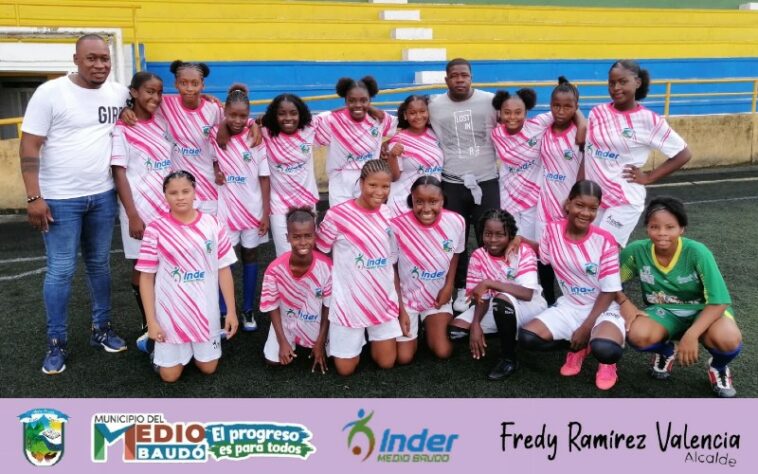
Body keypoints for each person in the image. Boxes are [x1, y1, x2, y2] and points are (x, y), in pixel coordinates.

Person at [20, 34, 129, 374]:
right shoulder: (50, 93)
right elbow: (29, 147)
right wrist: (34, 197)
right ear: (76, 59)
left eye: (104, 59)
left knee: (99, 266)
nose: (99, 65)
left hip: (102, 195)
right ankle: (57, 342)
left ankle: (102, 329)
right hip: (59, 200)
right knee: (61, 271)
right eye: (91, 58)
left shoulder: (119, 92)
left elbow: (158, 105)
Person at [619, 197, 743, 397]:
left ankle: (718, 367)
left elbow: (719, 301)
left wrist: (691, 335)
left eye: (670, 227)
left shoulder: (697, 252)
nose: (662, 233)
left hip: (704, 310)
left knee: (728, 339)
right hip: (664, 311)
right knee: (636, 333)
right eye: (654, 227)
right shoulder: (636, 252)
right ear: (647, 228)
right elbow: (611, 283)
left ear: (681, 229)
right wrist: (625, 303)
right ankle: (666, 351)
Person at [519, 180, 625, 391]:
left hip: (602, 308)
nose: (585, 213)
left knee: (605, 349)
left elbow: (610, 290)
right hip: (569, 306)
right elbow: (544, 254)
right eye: (579, 205)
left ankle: (607, 363)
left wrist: (586, 328)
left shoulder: (605, 240)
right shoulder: (552, 231)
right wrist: (519, 239)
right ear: (567, 204)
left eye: (592, 208)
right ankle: (577, 348)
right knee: (527, 338)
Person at [136, 171, 238, 382]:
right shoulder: (155, 228)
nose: (180, 197)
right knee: (170, 376)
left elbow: (224, 269)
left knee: (208, 368)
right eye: (173, 192)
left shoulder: (212, 224)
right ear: (165, 195)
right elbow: (146, 278)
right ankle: (157, 350)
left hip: (204, 312)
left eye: (185, 191)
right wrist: (151, 321)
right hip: (171, 314)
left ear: (195, 192)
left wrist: (231, 311)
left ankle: (194, 350)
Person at [316, 159, 409, 376]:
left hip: (381, 300)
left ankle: (371, 337)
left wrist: (400, 308)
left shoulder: (388, 214)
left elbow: (391, 264)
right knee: (345, 370)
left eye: (385, 186)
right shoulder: (337, 215)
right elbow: (321, 253)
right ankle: (346, 339)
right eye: (373, 185)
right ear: (361, 183)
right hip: (350, 303)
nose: (379, 191)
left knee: (387, 363)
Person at [584, 60, 691, 247]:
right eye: (612, 83)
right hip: (595, 197)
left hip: (623, 200)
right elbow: (586, 151)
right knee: (586, 249)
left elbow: (684, 153)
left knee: (600, 252)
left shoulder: (648, 120)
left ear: (637, 83)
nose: (616, 87)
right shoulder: (597, 113)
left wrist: (649, 177)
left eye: (622, 82)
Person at [428, 58, 500, 313]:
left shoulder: (491, 101)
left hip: (487, 180)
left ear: (471, 77)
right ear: (446, 79)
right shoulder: (434, 105)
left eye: (464, 75)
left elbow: (518, 118)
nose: (460, 80)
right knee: (455, 238)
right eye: (455, 75)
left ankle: (490, 285)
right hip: (452, 182)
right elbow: (407, 117)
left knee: (488, 236)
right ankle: (461, 285)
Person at [111, 71, 174, 353]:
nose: (155, 98)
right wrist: (133, 215)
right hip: (140, 209)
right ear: (134, 92)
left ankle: (167, 318)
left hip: (166, 209)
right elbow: (119, 173)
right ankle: (147, 323)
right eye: (149, 91)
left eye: (159, 92)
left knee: (166, 265)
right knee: (142, 267)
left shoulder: (162, 123)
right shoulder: (122, 128)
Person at [450, 209, 547, 380]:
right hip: (496, 305)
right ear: (481, 234)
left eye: (499, 235)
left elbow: (527, 294)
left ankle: (509, 358)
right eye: (488, 234)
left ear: (510, 235)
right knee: (456, 330)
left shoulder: (523, 252)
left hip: (529, 307)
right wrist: (475, 325)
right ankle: (507, 330)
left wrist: (489, 283)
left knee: (502, 302)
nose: (493, 240)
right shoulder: (478, 256)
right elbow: (482, 297)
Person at [209, 84, 270, 331]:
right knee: (225, 260)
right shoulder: (214, 133)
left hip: (252, 211)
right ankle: (224, 310)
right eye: (232, 115)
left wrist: (265, 213)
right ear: (224, 112)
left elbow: (264, 178)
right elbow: (211, 159)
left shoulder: (256, 137)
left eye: (242, 116)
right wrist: (216, 170)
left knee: (251, 257)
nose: (237, 120)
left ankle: (247, 310)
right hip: (227, 211)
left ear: (249, 115)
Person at [391, 176, 465, 363]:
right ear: (412, 200)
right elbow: (392, 269)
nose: (426, 209)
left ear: (443, 201)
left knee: (443, 351)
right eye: (419, 202)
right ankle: (416, 326)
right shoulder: (396, 226)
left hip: (437, 298)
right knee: (403, 357)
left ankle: (429, 324)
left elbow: (456, 253)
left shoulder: (456, 221)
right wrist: (401, 309)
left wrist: (449, 286)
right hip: (407, 299)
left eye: (433, 202)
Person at [260, 208, 331, 373]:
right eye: (296, 237)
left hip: (317, 322)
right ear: (287, 238)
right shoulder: (274, 269)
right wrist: (282, 342)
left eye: (308, 236)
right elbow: (272, 306)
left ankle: (318, 340)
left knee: (334, 357)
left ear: (315, 236)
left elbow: (328, 307)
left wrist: (320, 343)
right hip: (287, 321)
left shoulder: (327, 267)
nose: (303, 242)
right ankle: (288, 340)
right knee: (273, 361)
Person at [535, 77, 584, 305]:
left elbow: (585, 168)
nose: (561, 110)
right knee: (543, 257)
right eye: (556, 105)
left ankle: (574, 302)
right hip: (544, 205)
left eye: (567, 106)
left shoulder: (581, 133)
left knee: (570, 257)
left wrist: (574, 201)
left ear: (576, 108)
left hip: (569, 207)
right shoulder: (543, 130)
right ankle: (548, 300)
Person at [317, 76, 397, 207]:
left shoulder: (378, 118)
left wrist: (386, 143)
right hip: (340, 181)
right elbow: (307, 127)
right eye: (352, 101)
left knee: (367, 223)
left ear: (370, 100)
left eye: (363, 100)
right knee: (342, 224)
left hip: (370, 179)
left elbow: (404, 127)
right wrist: (336, 111)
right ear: (345, 100)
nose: (358, 105)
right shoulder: (332, 120)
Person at [260, 93, 321, 256]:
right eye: (282, 113)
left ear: (300, 113)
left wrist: (371, 110)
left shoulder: (310, 129)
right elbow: (239, 122)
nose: (288, 118)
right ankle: (285, 282)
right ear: (274, 115)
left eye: (293, 113)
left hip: (306, 201)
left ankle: (309, 282)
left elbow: (343, 110)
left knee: (307, 251)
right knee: (285, 254)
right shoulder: (265, 133)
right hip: (280, 204)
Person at [490, 88, 551, 241]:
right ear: (500, 113)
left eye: (518, 112)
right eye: (507, 112)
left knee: (528, 242)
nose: (512, 117)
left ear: (526, 112)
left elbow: (567, 109)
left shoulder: (538, 125)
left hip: (532, 196)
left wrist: (582, 123)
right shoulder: (496, 134)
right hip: (507, 194)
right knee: (510, 239)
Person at [384, 95, 444, 218]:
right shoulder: (398, 140)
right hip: (403, 204)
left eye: (422, 111)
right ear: (405, 115)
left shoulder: (435, 133)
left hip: (431, 203)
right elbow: (394, 177)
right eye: (412, 113)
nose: (418, 116)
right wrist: (392, 156)